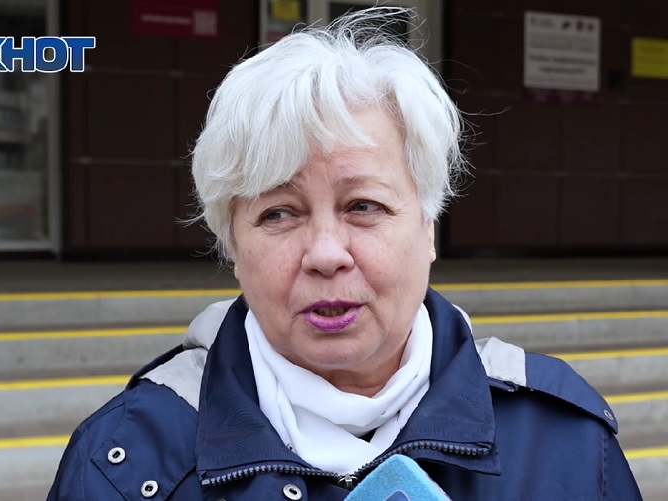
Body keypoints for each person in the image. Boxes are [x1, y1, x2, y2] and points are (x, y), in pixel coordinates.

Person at [47, 7, 641, 500]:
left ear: (428, 227)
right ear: (234, 246)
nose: (326, 254)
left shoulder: (565, 442)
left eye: (363, 206)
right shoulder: (122, 464)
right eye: (278, 213)